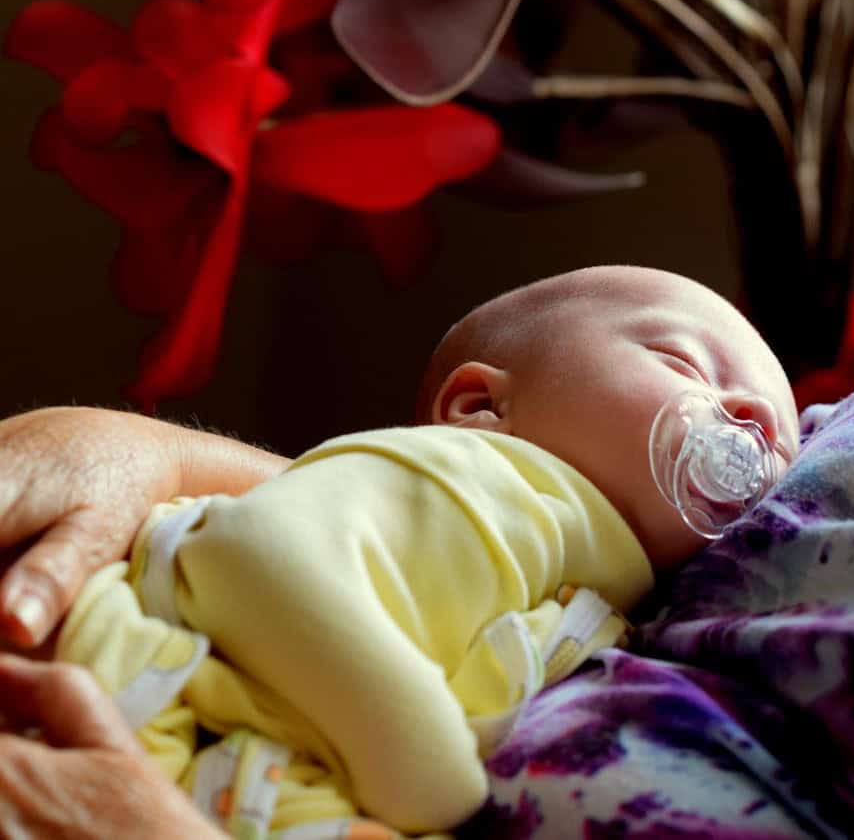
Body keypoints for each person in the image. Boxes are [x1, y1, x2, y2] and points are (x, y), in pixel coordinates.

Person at [0, 265, 800, 838]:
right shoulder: (504, 482)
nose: (747, 425)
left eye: (777, 443)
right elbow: (256, 557)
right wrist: (435, 778)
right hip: (128, 683)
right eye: (684, 364)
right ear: (481, 406)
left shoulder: (598, 583)